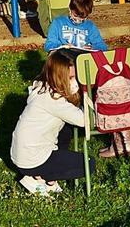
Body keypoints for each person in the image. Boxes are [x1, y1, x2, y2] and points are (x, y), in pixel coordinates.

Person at [10, 50, 90, 197]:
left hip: (23, 154)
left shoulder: (42, 87)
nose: (74, 81)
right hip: (32, 160)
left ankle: (47, 178)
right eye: (71, 77)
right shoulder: (54, 100)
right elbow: (84, 120)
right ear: (59, 77)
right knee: (88, 164)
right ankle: (38, 177)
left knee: (65, 129)